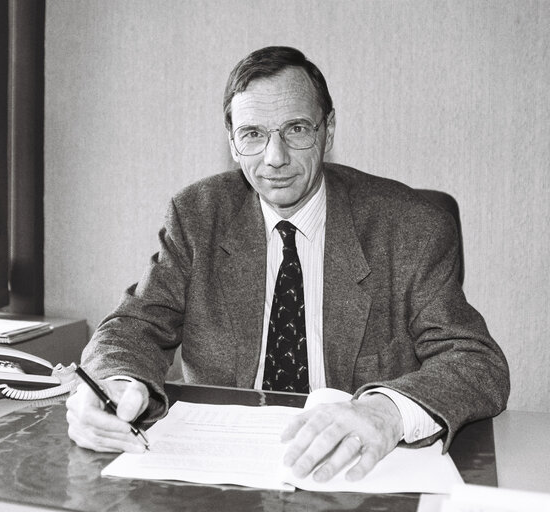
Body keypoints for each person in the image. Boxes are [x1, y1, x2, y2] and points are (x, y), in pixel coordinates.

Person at [66, 46, 509, 483]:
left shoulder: (409, 226)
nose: (274, 158)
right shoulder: (197, 216)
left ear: (328, 131)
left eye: (296, 129)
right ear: (232, 142)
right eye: (253, 134)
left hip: (354, 475)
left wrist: (385, 411)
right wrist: (115, 385)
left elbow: (475, 361)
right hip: (221, 468)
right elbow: (133, 325)